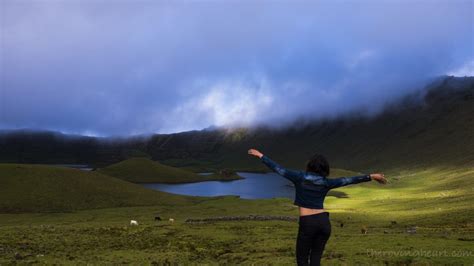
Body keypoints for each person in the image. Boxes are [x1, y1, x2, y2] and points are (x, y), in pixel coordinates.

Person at [247, 148, 387, 266]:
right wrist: (372, 176)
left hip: (308, 224)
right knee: (315, 260)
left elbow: (279, 170)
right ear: (325, 169)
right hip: (324, 223)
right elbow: (348, 180)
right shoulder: (327, 182)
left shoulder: (299, 177)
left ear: (309, 166)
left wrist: (261, 156)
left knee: (302, 261)